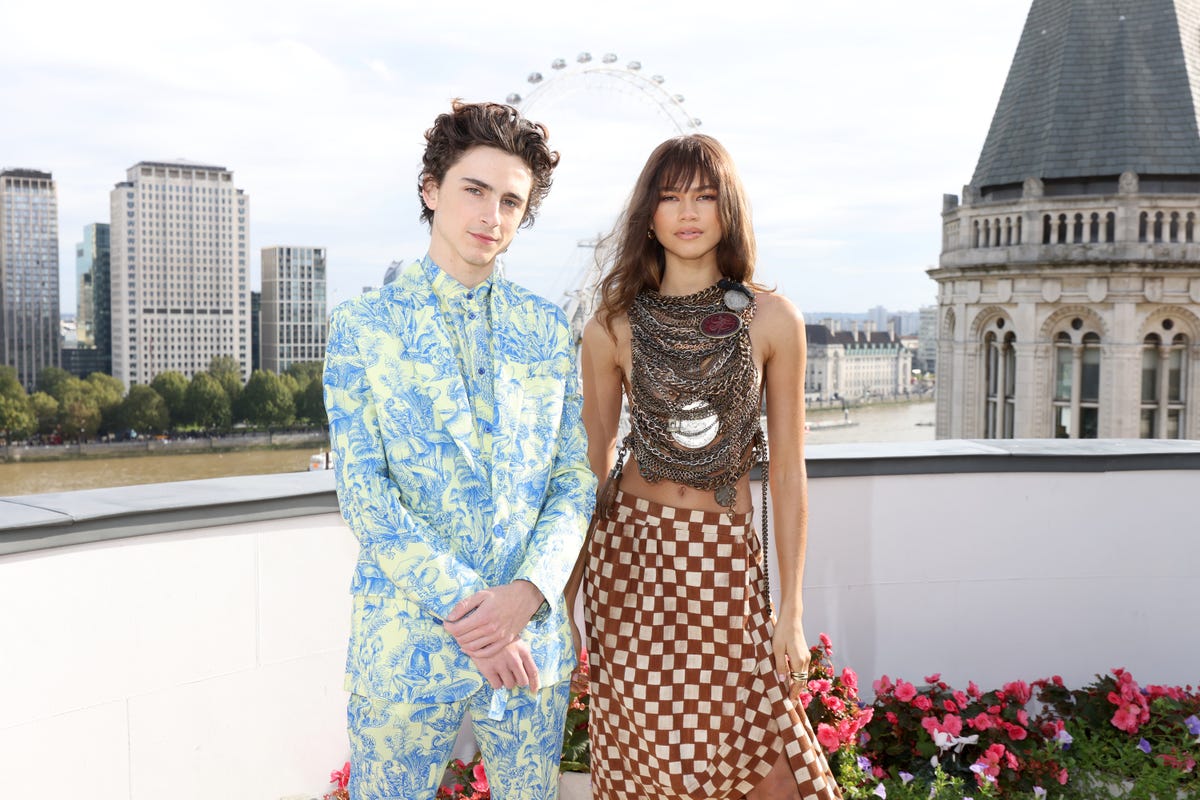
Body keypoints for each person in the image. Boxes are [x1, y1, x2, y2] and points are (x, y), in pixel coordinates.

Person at [323, 99, 597, 800]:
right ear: (430, 189)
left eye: (511, 201)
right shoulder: (363, 327)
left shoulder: (547, 330)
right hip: (406, 643)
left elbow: (573, 481)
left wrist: (527, 595)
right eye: (475, 190)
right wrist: (482, 614)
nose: (492, 216)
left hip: (528, 649)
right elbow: (366, 494)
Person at [565, 134, 840, 800]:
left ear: (728, 210)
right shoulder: (611, 324)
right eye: (670, 197)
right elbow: (589, 467)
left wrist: (790, 613)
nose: (688, 213)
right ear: (649, 215)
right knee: (651, 765)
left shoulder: (775, 320)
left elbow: (787, 473)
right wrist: (565, 596)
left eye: (705, 196)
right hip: (629, 564)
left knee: (764, 758)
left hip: (723, 563)